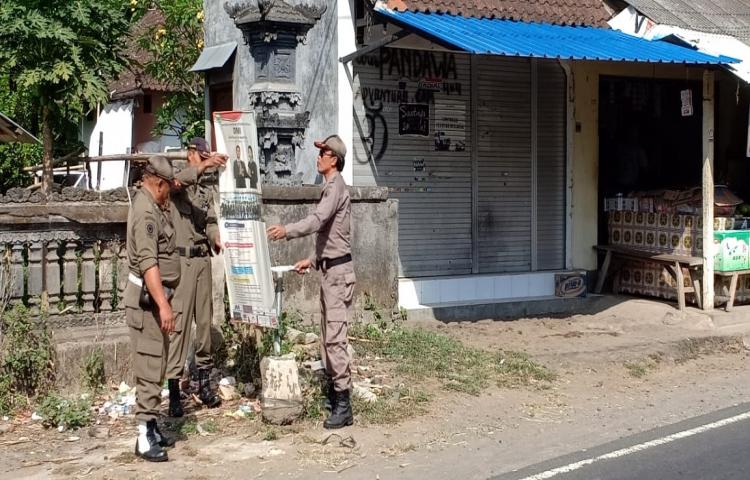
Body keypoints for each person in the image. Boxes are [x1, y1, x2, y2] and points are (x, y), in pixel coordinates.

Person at [267, 134, 356, 429]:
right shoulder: (330, 187)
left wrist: (287, 230)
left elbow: (318, 221)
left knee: (334, 339)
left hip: (338, 276)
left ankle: (343, 404)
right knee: (326, 338)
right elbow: (334, 236)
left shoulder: (334, 188)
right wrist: (314, 260)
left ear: (334, 159)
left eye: (323, 153)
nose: (318, 157)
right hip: (330, 272)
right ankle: (335, 396)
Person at [166, 138, 227, 417]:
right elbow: (176, 184)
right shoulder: (177, 178)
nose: (203, 161)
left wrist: (215, 238)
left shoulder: (204, 188)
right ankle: (175, 392)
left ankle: (204, 385)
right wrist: (203, 166)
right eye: (200, 157)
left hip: (203, 259)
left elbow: (211, 218)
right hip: (182, 262)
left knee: (204, 323)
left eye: (206, 157)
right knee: (178, 327)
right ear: (191, 155)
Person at [125, 155, 179, 462]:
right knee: (149, 368)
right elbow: (149, 264)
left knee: (157, 365)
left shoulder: (153, 204)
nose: (167, 196)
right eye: (166, 190)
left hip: (156, 301)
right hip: (147, 302)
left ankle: (152, 425)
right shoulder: (146, 210)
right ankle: (143, 436)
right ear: (156, 183)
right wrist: (163, 305)